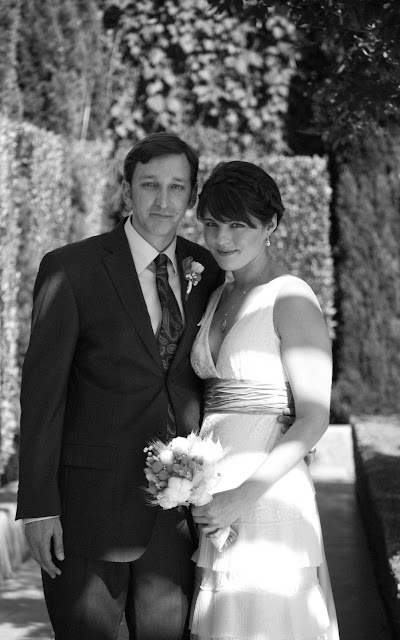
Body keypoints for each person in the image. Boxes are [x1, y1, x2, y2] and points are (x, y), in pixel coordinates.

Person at [16, 132, 224, 640]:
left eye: (177, 187)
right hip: (87, 512)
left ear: (192, 195)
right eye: (150, 184)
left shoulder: (210, 272)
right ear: (127, 190)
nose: (163, 200)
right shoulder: (71, 268)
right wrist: (39, 507)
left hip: (174, 519)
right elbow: (43, 397)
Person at [190, 161, 340, 640]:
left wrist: (242, 496)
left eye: (238, 225)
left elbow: (314, 417)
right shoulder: (217, 295)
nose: (221, 239)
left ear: (270, 224)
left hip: (267, 495)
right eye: (212, 223)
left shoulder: (291, 298)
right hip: (215, 501)